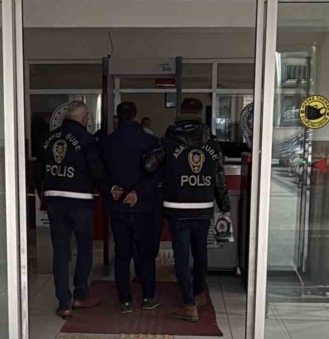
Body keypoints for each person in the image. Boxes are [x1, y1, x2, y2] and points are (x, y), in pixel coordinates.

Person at [144, 98, 231, 322]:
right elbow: (219, 178)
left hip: (177, 208)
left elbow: (148, 165)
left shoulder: (169, 140)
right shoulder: (212, 142)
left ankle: (189, 304)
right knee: (200, 252)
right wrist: (225, 207)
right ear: (200, 114)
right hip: (204, 206)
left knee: (182, 256)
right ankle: (199, 293)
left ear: (180, 113)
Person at [34, 101, 108, 319]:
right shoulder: (86, 139)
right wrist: (108, 190)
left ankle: (64, 303)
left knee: (60, 252)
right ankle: (80, 295)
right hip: (80, 201)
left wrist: (45, 196)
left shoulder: (48, 138)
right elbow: (96, 171)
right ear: (85, 118)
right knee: (84, 249)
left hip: (55, 202)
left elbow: (38, 173)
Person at [100, 102, 162, 314]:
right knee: (145, 254)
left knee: (122, 253)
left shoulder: (106, 143)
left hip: (117, 207)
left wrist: (112, 189)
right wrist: (138, 192)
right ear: (136, 116)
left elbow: (99, 173)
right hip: (144, 206)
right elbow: (157, 174)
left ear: (118, 117)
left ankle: (125, 300)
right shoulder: (150, 141)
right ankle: (148, 297)